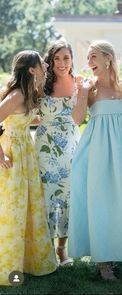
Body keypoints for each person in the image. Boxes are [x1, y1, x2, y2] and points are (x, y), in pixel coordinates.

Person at [68, 40, 122, 281]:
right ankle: (103, 263)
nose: (89, 62)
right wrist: (81, 94)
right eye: (89, 57)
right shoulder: (89, 90)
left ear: (107, 58)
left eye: (93, 57)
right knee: (102, 202)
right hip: (99, 151)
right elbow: (77, 118)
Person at [0, 50, 57, 286]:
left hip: (27, 153)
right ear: (31, 69)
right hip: (12, 153)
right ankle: (8, 268)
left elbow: (28, 119)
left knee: (29, 207)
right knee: (13, 209)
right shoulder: (16, 95)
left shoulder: (31, 92)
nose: (45, 64)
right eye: (41, 63)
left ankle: (28, 263)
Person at [34, 40, 81, 266]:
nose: (62, 63)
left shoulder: (80, 83)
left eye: (66, 58)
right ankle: (45, 249)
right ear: (50, 61)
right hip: (45, 146)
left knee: (67, 195)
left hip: (71, 146)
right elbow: (27, 110)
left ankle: (62, 250)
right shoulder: (42, 84)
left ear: (72, 59)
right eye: (57, 58)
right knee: (46, 194)